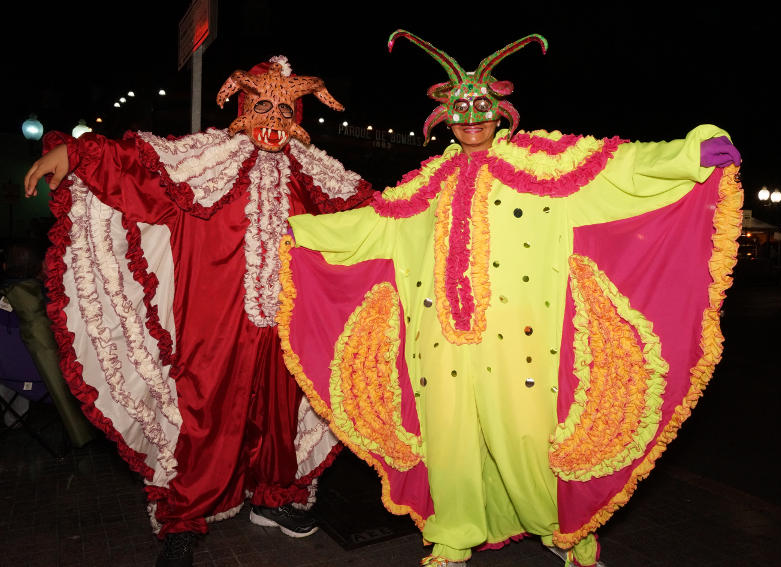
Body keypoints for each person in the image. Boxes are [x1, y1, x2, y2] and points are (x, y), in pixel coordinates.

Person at [275, 31, 743, 567]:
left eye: (481, 106)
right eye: (460, 109)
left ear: (501, 111)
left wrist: (688, 154)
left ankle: (565, 531)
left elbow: (621, 167)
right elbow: (373, 226)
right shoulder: (427, 181)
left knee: (528, 438)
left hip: (523, 342)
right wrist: (306, 234)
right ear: (444, 117)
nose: (471, 117)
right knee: (448, 439)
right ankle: (453, 531)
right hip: (440, 343)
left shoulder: (545, 162)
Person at [23, 56, 374, 567]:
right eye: (261, 105)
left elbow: (371, 218)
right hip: (212, 319)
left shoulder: (315, 174)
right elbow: (138, 169)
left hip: (288, 320)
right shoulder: (206, 162)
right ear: (242, 106)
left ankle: (274, 498)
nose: (273, 118)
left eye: (284, 107)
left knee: (282, 409)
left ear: (298, 112)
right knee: (206, 410)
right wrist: (77, 154)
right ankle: (185, 516)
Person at [0, 240, 96, 447]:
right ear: (38, 270)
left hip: (6, 375)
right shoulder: (52, 303)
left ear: (5, 267)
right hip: (46, 379)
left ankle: (13, 417)